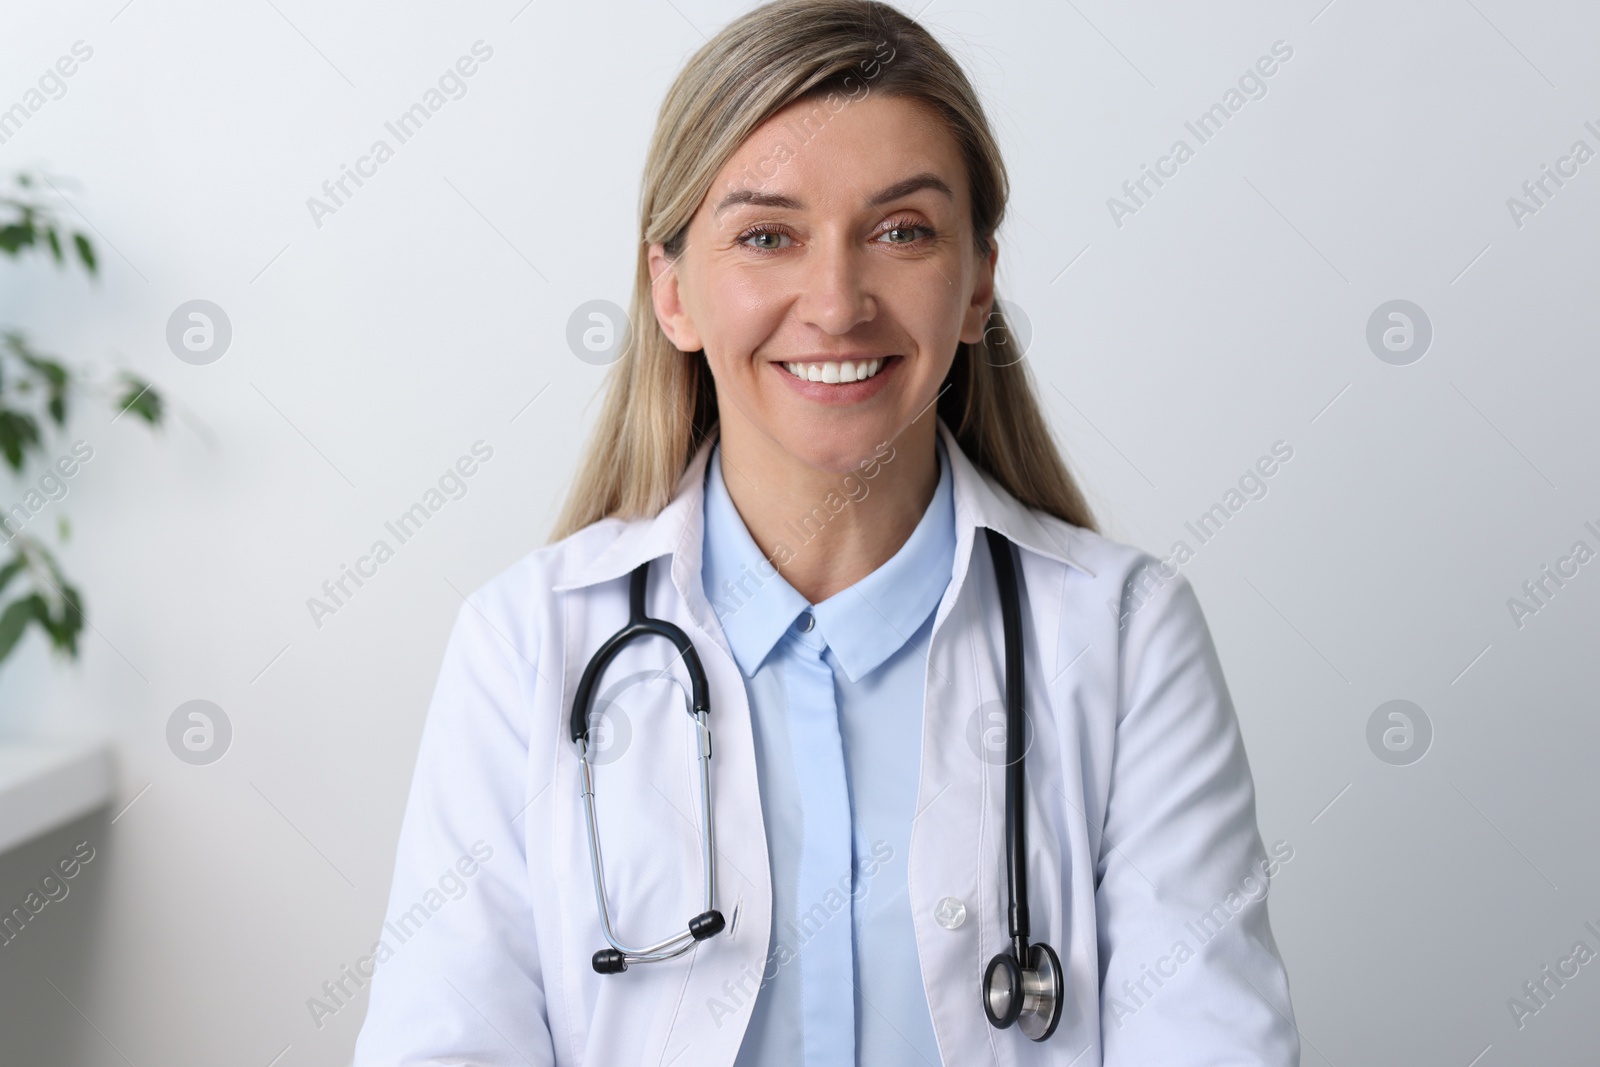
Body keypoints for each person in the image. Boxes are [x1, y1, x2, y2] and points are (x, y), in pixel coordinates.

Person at [352, 1, 1299, 1063]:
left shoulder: (1124, 638)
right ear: (672, 292)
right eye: (767, 234)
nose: (837, 301)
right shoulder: (526, 643)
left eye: (901, 231)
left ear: (979, 280)